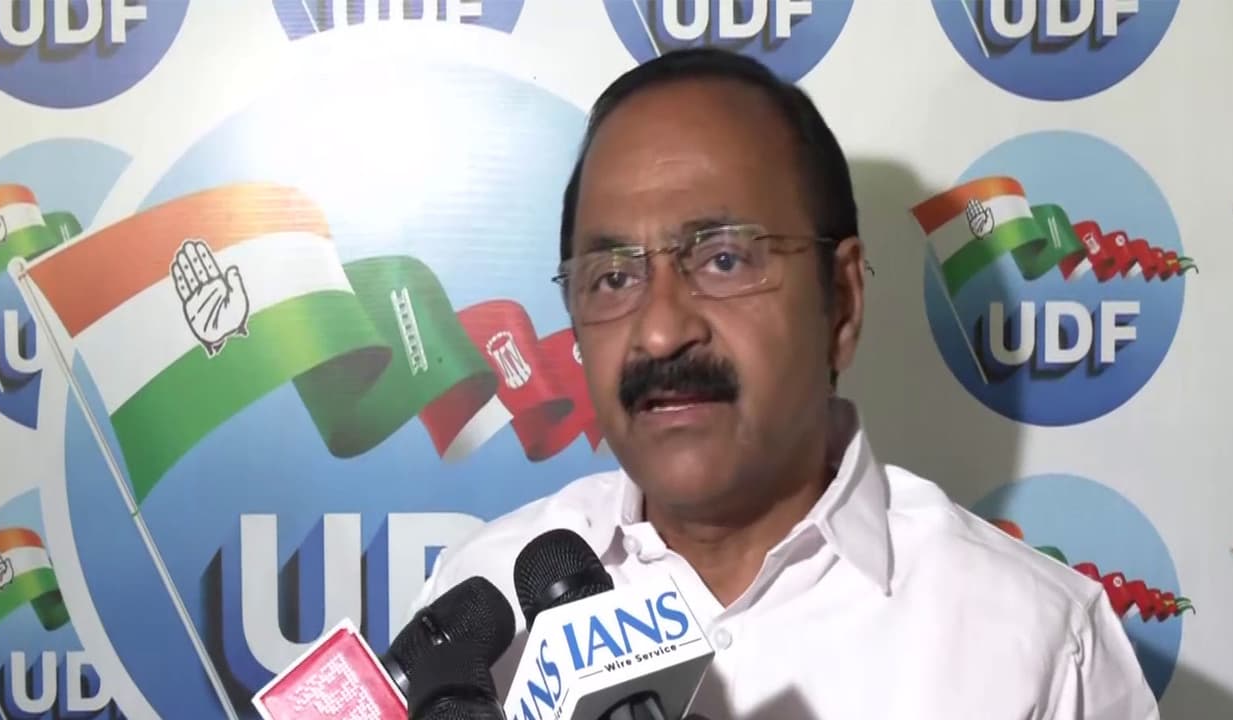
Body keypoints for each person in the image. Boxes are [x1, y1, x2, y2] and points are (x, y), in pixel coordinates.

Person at [407, 47, 1158, 719]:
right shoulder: (477, 609)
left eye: (723, 260)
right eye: (612, 277)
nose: (660, 331)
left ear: (843, 303)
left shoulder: (1040, 644)